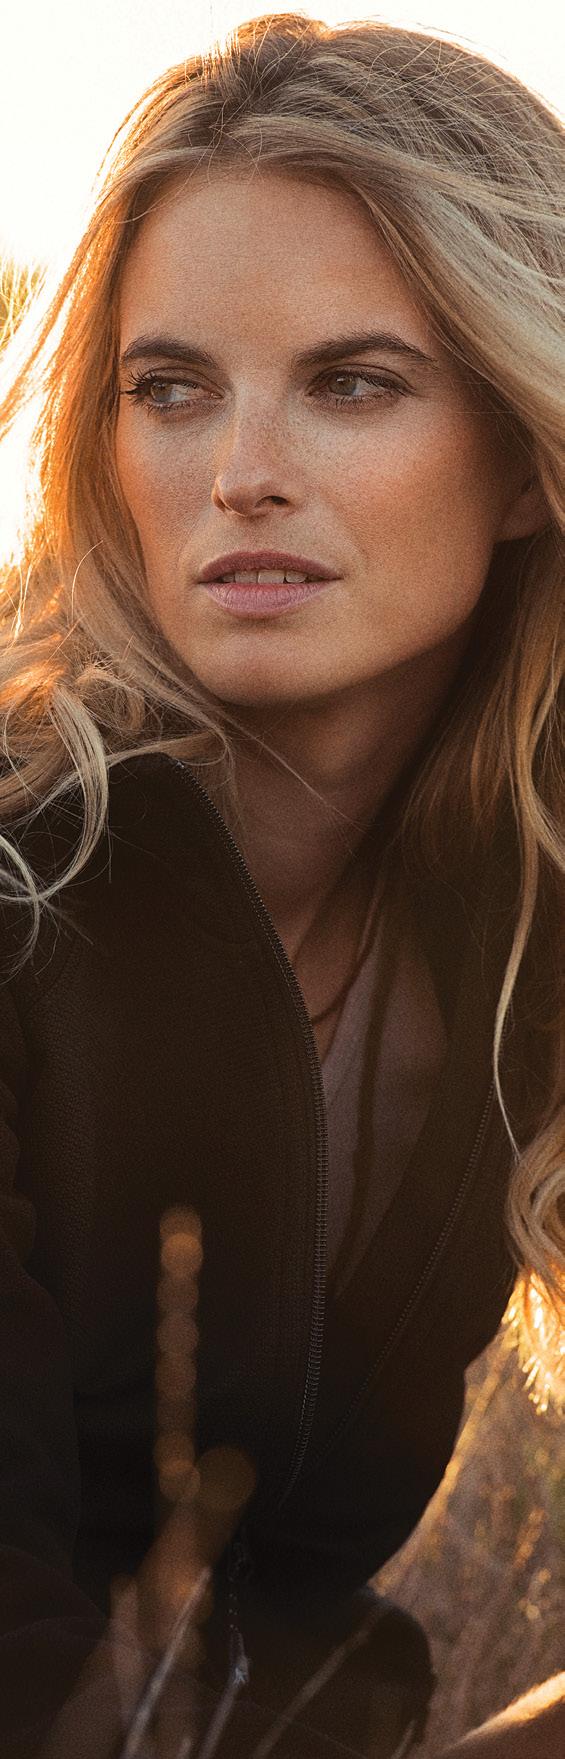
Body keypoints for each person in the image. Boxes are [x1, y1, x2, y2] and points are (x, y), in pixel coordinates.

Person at [0, 11, 563, 1756]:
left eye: (351, 382)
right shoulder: (21, 894)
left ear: (524, 452)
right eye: (170, 389)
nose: (241, 470)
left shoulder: (521, 923)